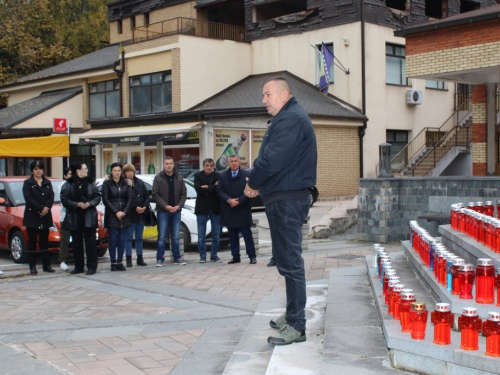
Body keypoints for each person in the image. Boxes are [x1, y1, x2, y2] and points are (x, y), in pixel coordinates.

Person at [244, 77, 317, 345]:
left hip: (287, 199)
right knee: (286, 261)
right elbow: (270, 158)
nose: (263, 100)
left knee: (291, 262)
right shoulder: (288, 117)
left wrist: (253, 183)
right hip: (283, 197)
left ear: (284, 95)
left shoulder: (291, 119)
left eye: (267, 95)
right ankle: (292, 314)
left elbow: (271, 159)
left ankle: (297, 325)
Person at [60, 162, 101, 275]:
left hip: (88, 216)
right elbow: (64, 199)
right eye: (84, 168)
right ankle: (78, 266)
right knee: (76, 243)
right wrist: (77, 204)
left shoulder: (90, 183)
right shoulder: (68, 184)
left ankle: (92, 267)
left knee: (91, 243)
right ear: (78, 171)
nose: (87, 171)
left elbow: (97, 196)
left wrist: (89, 203)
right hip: (74, 217)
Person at [217, 154, 256, 265]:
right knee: (232, 235)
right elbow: (219, 191)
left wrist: (238, 201)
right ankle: (235, 256)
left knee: (247, 235)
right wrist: (229, 200)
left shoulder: (246, 174)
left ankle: (252, 256)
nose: (233, 163)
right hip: (229, 209)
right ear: (228, 163)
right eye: (231, 161)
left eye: (235, 161)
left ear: (239, 162)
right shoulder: (223, 175)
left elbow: (249, 190)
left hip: (243, 209)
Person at [152, 156, 187, 266]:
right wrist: (166, 206)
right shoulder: (158, 178)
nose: (168, 165)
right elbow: (155, 194)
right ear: (163, 165)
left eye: (170, 163)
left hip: (176, 211)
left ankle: (177, 258)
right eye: (166, 163)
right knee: (162, 236)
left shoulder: (179, 178)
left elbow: (183, 194)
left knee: (175, 236)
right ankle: (159, 259)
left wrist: (178, 206)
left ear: (173, 165)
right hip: (163, 211)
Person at [22, 160, 55, 276]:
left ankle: (47, 265)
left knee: (44, 241)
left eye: (40, 168)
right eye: (36, 169)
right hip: (32, 217)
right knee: (32, 242)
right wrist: (40, 209)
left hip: (45, 217)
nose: (38, 171)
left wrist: (46, 208)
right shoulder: (28, 183)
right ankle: (32, 266)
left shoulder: (47, 182)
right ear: (32, 170)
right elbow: (29, 198)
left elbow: (51, 197)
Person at [102, 162, 133, 271]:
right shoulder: (107, 183)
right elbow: (105, 199)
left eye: (119, 171)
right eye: (115, 171)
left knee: (121, 240)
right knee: (113, 240)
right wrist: (116, 212)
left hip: (124, 215)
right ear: (111, 172)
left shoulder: (126, 183)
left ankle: (120, 261)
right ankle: (113, 262)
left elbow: (130, 198)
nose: (117, 173)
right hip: (112, 215)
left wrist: (124, 212)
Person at [194, 158, 222, 263]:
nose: (209, 167)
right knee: (201, 234)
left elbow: (219, 188)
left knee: (216, 234)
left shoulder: (218, 175)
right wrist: (212, 187)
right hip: (202, 208)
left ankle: (214, 255)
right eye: (207, 165)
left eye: (211, 165)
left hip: (215, 208)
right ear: (203, 166)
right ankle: (202, 255)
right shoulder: (198, 175)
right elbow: (198, 189)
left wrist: (208, 187)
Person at [123, 163, 149, 267]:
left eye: (131, 171)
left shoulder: (140, 182)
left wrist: (145, 206)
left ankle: (140, 258)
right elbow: (125, 199)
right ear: (124, 173)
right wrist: (135, 207)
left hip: (141, 215)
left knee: (139, 237)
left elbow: (147, 196)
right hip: (130, 215)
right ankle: (128, 258)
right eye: (127, 171)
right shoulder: (123, 184)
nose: (130, 173)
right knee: (128, 237)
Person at [58, 167, 71, 271]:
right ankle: (62, 260)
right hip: (65, 217)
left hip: (77, 217)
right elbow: (65, 201)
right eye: (69, 174)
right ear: (65, 176)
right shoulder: (62, 186)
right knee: (65, 240)